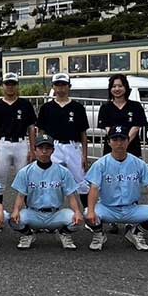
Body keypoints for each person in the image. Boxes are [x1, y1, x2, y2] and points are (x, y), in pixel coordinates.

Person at [84, 126, 148, 251]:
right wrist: (91, 211)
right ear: (109, 142)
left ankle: (136, 232)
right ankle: (99, 235)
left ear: (128, 141)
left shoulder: (138, 163)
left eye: (122, 139)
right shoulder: (101, 164)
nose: (119, 143)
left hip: (132, 208)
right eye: (115, 139)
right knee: (87, 213)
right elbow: (94, 189)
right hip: (108, 208)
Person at [8, 134, 83, 250]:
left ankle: (63, 233)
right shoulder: (25, 172)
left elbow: (71, 196)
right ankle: (28, 234)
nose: (44, 151)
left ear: (53, 150)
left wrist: (77, 211)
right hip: (33, 213)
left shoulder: (63, 171)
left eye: (47, 148)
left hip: (55, 214)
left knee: (76, 219)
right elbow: (20, 196)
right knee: (13, 220)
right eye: (40, 148)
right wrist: (16, 211)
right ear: (35, 150)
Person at [36, 73, 90, 206]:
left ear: (69, 87)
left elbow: (83, 133)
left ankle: (89, 212)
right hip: (53, 147)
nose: (60, 88)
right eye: (57, 85)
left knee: (81, 181)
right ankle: (50, 211)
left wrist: (84, 155)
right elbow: (41, 131)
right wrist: (40, 150)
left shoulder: (77, 107)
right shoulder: (46, 108)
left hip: (73, 146)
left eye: (63, 85)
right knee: (51, 180)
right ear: (53, 87)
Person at [0, 72, 37, 199]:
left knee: (25, 180)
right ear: (2, 86)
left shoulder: (25, 105)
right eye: (7, 84)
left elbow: (31, 128)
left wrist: (32, 149)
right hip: (2, 144)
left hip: (21, 144)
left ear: (17, 86)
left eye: (13, 84)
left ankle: (26, 211)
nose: (10, 87)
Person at [97, 74, 147, 158]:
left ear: (126, 87)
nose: (117, 89)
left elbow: (136, 128)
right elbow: (107, 129)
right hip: (111, 148)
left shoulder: (136, 106)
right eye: (114, 86)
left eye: (120, 86)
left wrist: (125, 143)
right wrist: (116, 144)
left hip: (132, 147)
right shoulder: (105, 107)